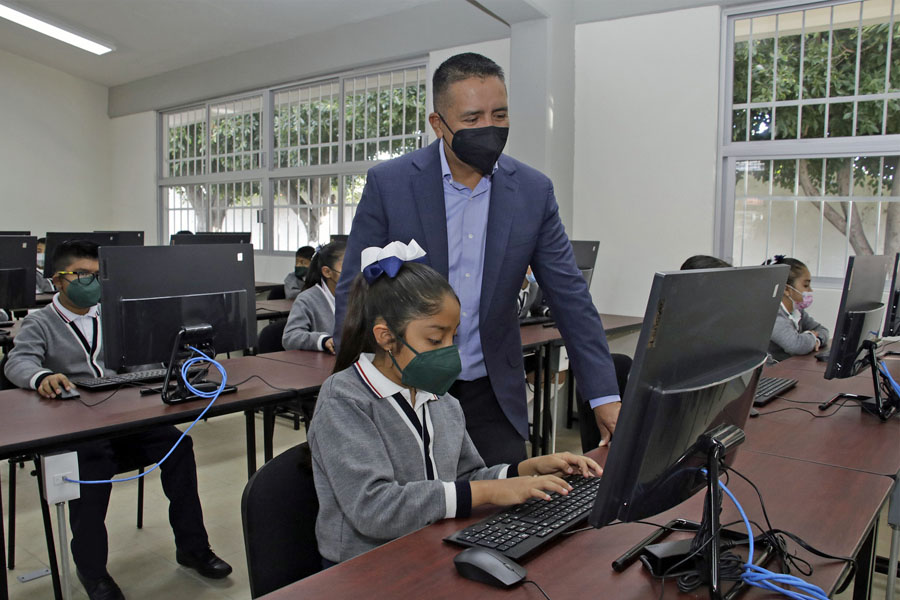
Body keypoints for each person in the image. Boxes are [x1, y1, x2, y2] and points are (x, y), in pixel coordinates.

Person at [333, 53, 620, 465]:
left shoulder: (533, 192)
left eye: (499, 115)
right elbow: (354, 290)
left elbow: (571, 297)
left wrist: (605, 396)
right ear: (438, 124)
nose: (488, 128)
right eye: (471, 119)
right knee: (416, 517)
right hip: (406, 386)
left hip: (492, 393)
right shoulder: (391, 184)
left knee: (505, 514)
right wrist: (356, 384)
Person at [310, 241, 602, 565]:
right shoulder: (344, 401)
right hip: (366, 568)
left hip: (431, 546)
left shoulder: (440, 397)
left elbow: (467, 478)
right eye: (436, 340)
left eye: (454, 337)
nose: (450, 351)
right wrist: (490, 493)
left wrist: (525, 472)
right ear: (386, 337)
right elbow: (374, 508)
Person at [3, 240, 231, 600]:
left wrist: (163, 366)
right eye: (81, 275)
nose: (91, 283)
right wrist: (41, 377)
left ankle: (192, 548)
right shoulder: (39, 322)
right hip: (77, 428)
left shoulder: (112, 314)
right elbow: (17, 362)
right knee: (93, 465)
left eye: (96, 276)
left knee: (179, 445)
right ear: (57, 281)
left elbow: (141, 356)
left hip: (124, 420)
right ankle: (93, 573)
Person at [282, 241, 345, 353]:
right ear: (327, 272)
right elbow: (290, 337)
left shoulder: (357, 296)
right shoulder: (307, 299)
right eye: (346, 266)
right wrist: (322, 340)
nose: (353, 272)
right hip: (319, 365)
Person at [765, 255, 829, 362]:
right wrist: (812, 337)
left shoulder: (797, 311)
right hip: (774, 372)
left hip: (791, 366)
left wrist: (816, 340)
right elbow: (795, 345)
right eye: (805, 285)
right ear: (786, 289)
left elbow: (823, 330)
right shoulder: (773, 314)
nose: (810, 290)